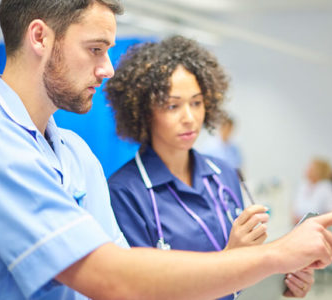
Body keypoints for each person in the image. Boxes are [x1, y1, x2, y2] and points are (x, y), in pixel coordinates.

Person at [0, 1, 332, 299]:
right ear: (39, 37)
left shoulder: (74, 152)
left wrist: (269, 273)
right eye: (96, 49)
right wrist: (275, 255)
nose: (108, 68)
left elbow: (136, 274)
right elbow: (111, 277)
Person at [106, 36, 312, 299]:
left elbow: (245, 274)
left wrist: (283, 278)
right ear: (144, 112)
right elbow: (140, 291)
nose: (190, 118)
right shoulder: (125, 192)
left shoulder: (223, 173)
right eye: (172, 105)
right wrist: (230, 259)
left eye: (196, 102)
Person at [293, 158, 332, 239]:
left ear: (320, 171)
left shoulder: (327, 188)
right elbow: (295, 212)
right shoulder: (303, 186)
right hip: (303, 230)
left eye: (311, 168)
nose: (307, 169)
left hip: (324, 233)